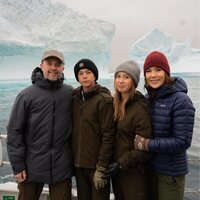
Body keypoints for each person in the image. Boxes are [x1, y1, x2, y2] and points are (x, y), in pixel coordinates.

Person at [6, 49, 74, 200]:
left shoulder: (70, 93)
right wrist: (18, 166)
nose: (53, 68)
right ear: (41, 65)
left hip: (61, 167)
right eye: (49, 63)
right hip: (31, 166)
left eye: (57, 64)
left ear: (63, 68)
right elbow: (14, 131)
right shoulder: (26, 95)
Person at [134, 51, 196, 200]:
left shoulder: (181, 100)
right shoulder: (149, 98)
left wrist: (147, 144)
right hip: (151, 168)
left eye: (158, 70)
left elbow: (183, 141)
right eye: (148, 71)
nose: (153, 75)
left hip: (170, 174)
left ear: (166, 72)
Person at [102, 60, 153, 200]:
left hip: (134, 173)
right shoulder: (115, 104)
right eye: (118, 76)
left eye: (126, 77)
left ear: (134, 81)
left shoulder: (139, 109)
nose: (121, 81)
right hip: (119, 172)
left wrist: (120, 163)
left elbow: (144, 149)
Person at [72, 58, 115, 200]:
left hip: (96, 166)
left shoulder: (103, 100)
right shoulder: (76, 98)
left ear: (95, 75)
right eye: (81, 73)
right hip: (79, 165)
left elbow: (108, 135)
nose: (84, 76)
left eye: (88, 72)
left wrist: (102, 167)